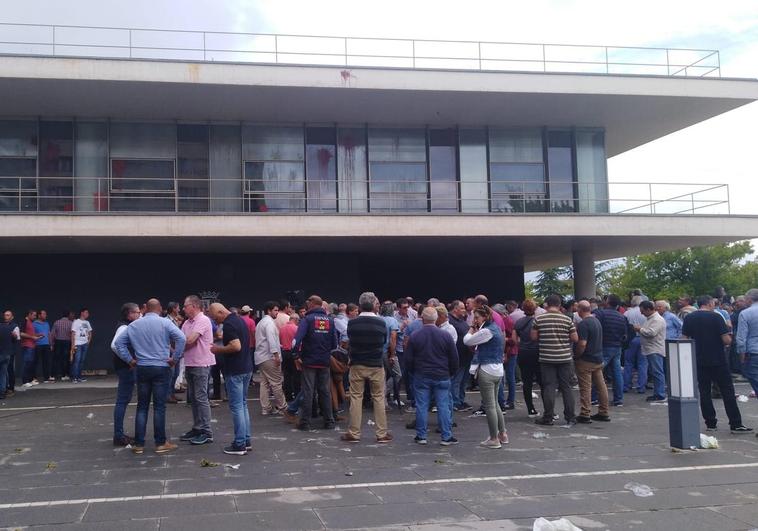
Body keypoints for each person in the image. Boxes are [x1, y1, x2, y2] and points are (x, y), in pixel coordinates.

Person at [114, 298, 186, 454]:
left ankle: (139, 444)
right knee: (159, 406)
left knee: (142, 406)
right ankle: (160, 443)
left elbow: (118, 344)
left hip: (142, 367)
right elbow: (182, 338)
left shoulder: (134, 325)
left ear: (146, 309)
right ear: (159, 308)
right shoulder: (165, 323)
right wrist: (174, 359)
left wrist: (130, 360)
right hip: (161, 367)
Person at [682, 295, 752, 434]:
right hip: (718, 359)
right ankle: (735, 423)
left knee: (704, 392)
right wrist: (730, 339)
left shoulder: (689, 318)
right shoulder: (716, 317)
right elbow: (726, 340)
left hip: (699, 359)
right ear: (709, 303)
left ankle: (711, 423)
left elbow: (684, 339)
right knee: (727, 391)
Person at [341, 292, 392, 444]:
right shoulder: (381, 323)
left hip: (357, 363)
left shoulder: (353, 323)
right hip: (376, 363)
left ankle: (354, 432)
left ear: (360, 305)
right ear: (374, 304)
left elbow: (350, 341)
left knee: (356, 397)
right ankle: (381, 433)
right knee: (378, 397)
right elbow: (384, 342)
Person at [407, 307, 459, 446]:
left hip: (421, 375)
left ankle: (421, 435)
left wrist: (413, 372)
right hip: (442, 375)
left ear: (422, 319)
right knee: (443, 405)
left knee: (421, 406)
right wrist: (450, 373)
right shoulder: (446, 335)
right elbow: (454, 358)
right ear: (436, 319)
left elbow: (409, 359)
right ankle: (446, 436)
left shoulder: (415, 336)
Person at [208, 302, 253, 455]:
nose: (215, 321)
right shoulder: (240, 320)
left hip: (235, 370)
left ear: (221, 312)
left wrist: (217, 349)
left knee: (237, 407)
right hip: (246, 367)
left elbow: (236, 346)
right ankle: (246, 441)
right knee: (243, 404)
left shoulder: (229, 324)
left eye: (215, 318)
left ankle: (239, 444)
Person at [292, 295, 337, 431]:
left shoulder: (307, 320)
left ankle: (305, 422)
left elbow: (296, 340)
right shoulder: (330, 320)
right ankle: (329, 421)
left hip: (309, 361)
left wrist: (295, 355)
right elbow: (334, 343)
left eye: (308, 302)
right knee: (325, 391)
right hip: (324, 361)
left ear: (312, 304)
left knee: (308, 391)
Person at [532, 294, 578, 426]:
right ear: (559, 305)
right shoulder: (567, 320)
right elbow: (575, 338)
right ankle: (570, 417)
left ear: (547, 304)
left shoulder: (539, 319)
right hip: (565, 357)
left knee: (549, 387)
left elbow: (534, 337)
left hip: (547, 358)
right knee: (567, 388)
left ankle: (548, 417)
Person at [465, 306, 507, 449]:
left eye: (477, 317)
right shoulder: (496, 328)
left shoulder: (486, 331)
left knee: (489, 406)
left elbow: (467, 341)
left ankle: (494, 438)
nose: (475, 320)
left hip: (487, 370)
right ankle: (502, 434)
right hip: (498, 369)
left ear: (485, 317)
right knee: (495, 404)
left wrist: (471, 328)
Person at [179, 295, 216, 446]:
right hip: (190, 363)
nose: (183, 308)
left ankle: (207, 432)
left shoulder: (203, 320)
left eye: (185, 305)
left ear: (194, 306)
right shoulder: (187, 322)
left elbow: (189, 340)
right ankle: (197, 427)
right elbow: (183, 341)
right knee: (194, 398)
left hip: (201, 363)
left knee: (201, 398)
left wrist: (179, 346)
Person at [573, 301, 610, 423]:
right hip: (598, 358)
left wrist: (577, 355)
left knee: (585, 388)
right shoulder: (596, 321)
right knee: (601, 386)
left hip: (586, 360)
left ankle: (585, 413)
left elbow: (582, 344)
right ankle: (603, 411)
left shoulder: (584, 324)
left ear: (580, 310)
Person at [110, 302, 140, 446]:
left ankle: (119, 434)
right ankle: (119, 435)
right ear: (129, 314)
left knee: (124, 400)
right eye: (137, 312)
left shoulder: (126, 326)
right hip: (125, 368)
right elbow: (115, 345)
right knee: (122, 401)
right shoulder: (124, 327)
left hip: (124, 367)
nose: (139, 315)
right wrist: (130, 360)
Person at [594, 294, 628, 407]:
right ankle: (619, 399)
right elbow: (625, 335)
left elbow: (595, 327)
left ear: (607, 302)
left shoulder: (600, 313)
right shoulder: (622, 317)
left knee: (597, 371)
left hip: (604, 346)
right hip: (617, 347)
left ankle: (594, 398)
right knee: (617, 373)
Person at [254, 301, 287, 416]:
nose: (277, 313)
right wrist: (276, 355)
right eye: (275, 310)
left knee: (264, 383)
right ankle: (283, 408)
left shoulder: (261, 323)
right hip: (269, 357)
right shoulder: (269, 323)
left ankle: (266, 408)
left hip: (261, 356)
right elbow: (271, 340)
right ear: (269, 311)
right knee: (276, 382)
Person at [513, 299, 541, 417]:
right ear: (535, 309)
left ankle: (531, 409)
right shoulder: (538, 321)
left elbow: (514, 339)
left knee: (527, 382)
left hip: (523, 353)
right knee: (542, 382)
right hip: (537, 352)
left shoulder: (518, 322)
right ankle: (549, 410)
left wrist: (522, 344)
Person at [635, 301, 667, 402]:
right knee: (656, 371)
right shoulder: (652, 319)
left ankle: (660, 394)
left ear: (648, 309)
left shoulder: (657, 320)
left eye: (642, 311)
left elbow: (651, 333)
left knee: (657, 372)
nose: (641, 313)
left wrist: (640, 329)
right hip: (651, 348)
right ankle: (658, 393)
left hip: (655, 349)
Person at [448, 300, 473, 412]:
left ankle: (461, 400)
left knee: (464, 380)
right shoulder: (450, 322)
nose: (464, 310)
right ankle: (455, 401)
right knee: (457, 380)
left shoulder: (462, 321)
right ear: (455, 309)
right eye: (462, 308)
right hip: (458, 356)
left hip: (467, 355)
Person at [736, 289, 758, 404]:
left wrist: (741, 355)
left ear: (749, 299)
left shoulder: (745, 313)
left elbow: (741, 338)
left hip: (753, 351)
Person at [623, 296, 647, 394]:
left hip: (630, 339)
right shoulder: (645, 313)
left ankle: (626, 385)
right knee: (643, 363)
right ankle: (641, 387)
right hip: (643, 338)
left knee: (628, 363)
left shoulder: (627, 313)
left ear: (632, 303)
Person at [280, 314, 300, 402]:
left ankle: (288, 396)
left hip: (284, 353)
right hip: (293, 353)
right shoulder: (296, 328)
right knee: (296, 375)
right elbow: (299, 342)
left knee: (287, 375)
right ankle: (296, 395)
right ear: (296, 320)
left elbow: (280, 340)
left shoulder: (282, 328)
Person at [70, 308, 93, 383]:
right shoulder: (76, 322)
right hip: (78, 344)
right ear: (82, 313)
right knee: (77, 360)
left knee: (82, 361)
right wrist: (73, 345)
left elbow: (90, 332)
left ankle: (79, 377)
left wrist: (88, 341)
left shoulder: (87, 322)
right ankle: (74, 378)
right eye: (86, 312)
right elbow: (73, 334)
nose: (87, 314)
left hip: (85, 344)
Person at [0, 313, 20, 399]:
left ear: (12, 317)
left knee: (9, 370)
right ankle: (4, 390)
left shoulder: (14, 326)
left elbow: (17, 338)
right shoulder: (4, 326)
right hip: (6, 353)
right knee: (4, 373)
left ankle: (10, 388)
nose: (6, 317)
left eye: (8, 315)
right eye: (5, 315)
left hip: (9, 352)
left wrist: (15, 336)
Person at [21, 310, 43, 388]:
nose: (35, 317)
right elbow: (21, 333)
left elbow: (31, 334)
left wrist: (38, 335)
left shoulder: (30, 323)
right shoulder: (25, 321)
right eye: (34, 315)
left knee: (31, 364)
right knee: (27, 363)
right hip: (27, 346)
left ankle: (30, 380)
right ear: (29, 315)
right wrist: (32, 337)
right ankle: (25, 381)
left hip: (32, 345)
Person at [50, 310, 74, 381]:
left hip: (58, 342)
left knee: (55, 359)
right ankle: (64, 375)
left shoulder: (57, 322)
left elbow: (52, 334)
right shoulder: (71, 323)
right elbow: (72, 334)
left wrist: (51, 344)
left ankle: (52, 375)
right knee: (65, 359)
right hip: (67, 342)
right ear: (68, 315)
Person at [33, 310, 53, 383]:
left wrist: (50, 344)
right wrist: (37, 335)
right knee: (36, 362)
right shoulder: (34, 323)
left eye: (45, 314)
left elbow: (49, 334)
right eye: (44, 314)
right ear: (39, 315)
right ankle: (34, 378)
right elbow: (32, 334)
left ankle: (46, 378)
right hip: (37, 345)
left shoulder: (47, 323)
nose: (45, 315)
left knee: (46, 362)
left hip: (46, 345)